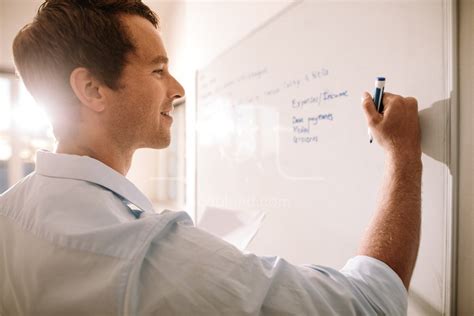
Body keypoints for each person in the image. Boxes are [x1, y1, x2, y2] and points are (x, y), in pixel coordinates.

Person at [0, 1, 422, 315]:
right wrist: (403, 157)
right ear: (91, 89)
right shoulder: (148, 253)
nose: (177, 88)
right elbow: (371, 303)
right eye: (157, 70)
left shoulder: (9, 211)